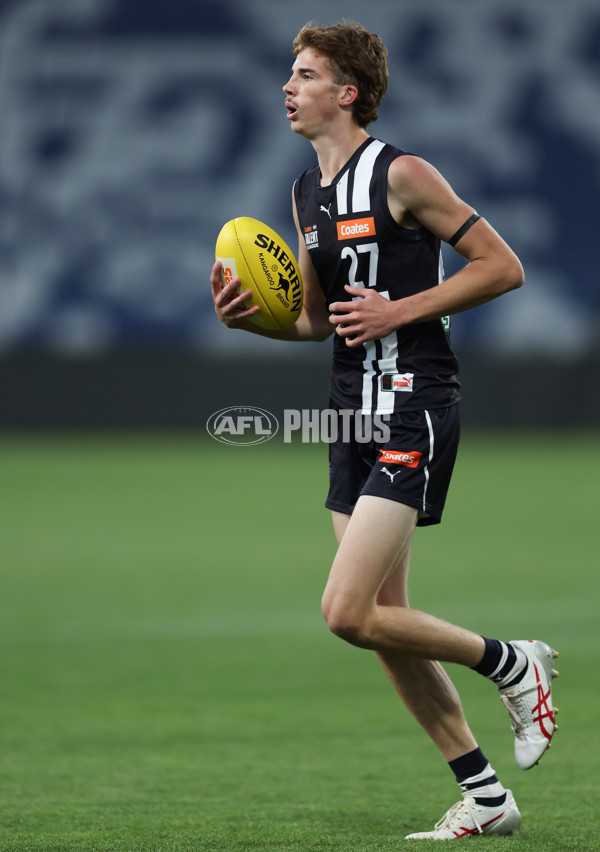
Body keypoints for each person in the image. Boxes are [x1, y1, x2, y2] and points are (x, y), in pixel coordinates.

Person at [210, 21, 559, 840]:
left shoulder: (402, 173)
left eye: (304, 74)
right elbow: (314, 322)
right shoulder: (305, 193)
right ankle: (485, 796)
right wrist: (247, 322)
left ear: (348, 91)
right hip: (349, 411)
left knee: (345, 612)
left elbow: (501, 267)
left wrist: (400, 308)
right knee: (382, 626)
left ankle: (513, 662)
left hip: (413, 403)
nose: (288, 88)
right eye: (289, 75)